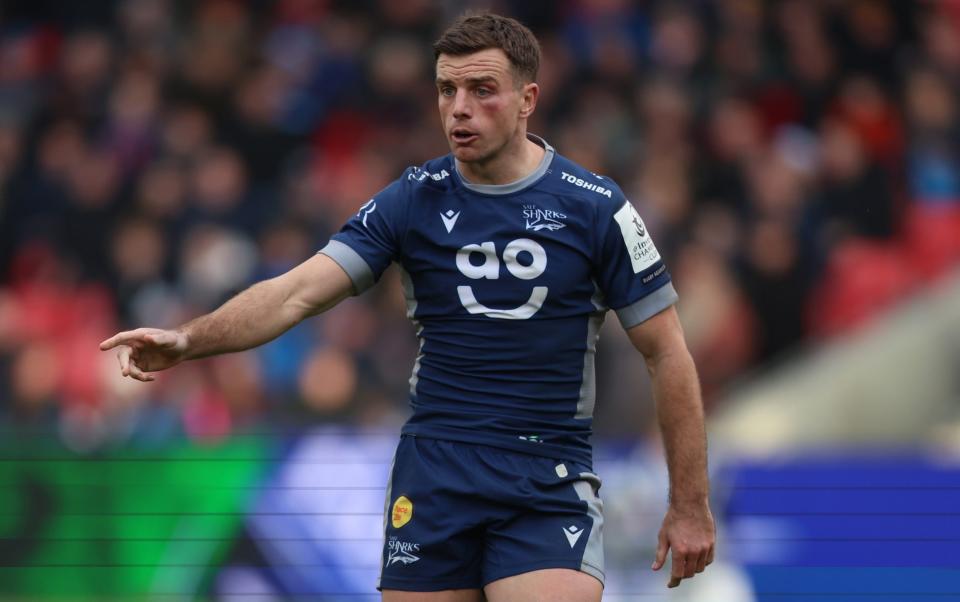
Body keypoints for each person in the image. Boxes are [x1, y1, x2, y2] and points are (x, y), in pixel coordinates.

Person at [100, 13, 715, 601]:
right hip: (435, 475)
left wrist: (689, 502)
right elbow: (295, 292)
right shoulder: (412, 200)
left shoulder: (596, 207)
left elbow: (667, 354)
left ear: (528, 99)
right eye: (447, 90)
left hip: (545, 478)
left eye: (482, 90)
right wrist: (188, 340)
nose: (459, 108)